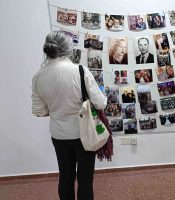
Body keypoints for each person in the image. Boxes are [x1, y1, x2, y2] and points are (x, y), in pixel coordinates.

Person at [32, 31, 107, 200]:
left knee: (65, 177)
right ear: (68, 49)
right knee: (85, 180)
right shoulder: (80, 71)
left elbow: (39, 111)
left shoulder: (38, 76)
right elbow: (101, 104)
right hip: (84, 133)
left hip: (58, 134)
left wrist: (58, 109)